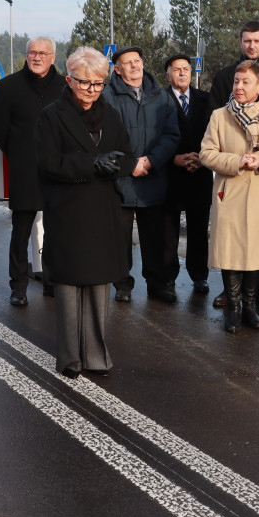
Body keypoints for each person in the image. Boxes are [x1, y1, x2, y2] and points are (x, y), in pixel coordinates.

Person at [34, 47, 136, 378]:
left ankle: (95, 356)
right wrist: (92, 163)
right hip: (68, 210)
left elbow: (128, 156)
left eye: (98, 83)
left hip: (103, 209)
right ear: (69, 80)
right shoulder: (51, 116)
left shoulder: (111, 114)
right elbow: (48, 163)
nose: (92, 90)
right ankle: (70, 359)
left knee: (98, 284)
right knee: (68, 286)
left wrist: (119, 164)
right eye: (85, 82)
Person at [200, 61, 259, 333]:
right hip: (229, 193)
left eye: (245, 82)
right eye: (236, 81)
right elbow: (206, 153)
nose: (239, 87)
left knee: (255, 252)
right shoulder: (220, 116)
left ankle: (250, 307)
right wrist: (236, 161)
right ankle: (234, 309)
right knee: (230, 251)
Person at [0, 37, 65, 305]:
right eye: (33, 52)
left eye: (43, 53)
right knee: (20, 232)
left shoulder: (65, 86)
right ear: (26, 55)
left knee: (57, 231)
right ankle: (18, 287)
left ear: (53, 57)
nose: (37, 57)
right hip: (24, 171)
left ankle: (52, 282)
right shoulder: (7, 86)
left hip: (59, 172)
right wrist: (19, 155)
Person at [103, 46, 181, 303]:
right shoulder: (107, 97)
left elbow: (172, 135)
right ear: (117, 69)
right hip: (120, 180)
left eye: (137, 60)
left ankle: (157, 284)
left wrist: (151, 161)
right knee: (119, 237)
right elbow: (104, 139)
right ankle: (122, 284)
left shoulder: (161, 97)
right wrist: (130, 164)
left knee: (155, 237)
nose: (135, 65)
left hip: (153, 177)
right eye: (128, 62)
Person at [161, 54, 212, 295]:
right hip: (170, 174)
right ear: (168, 75)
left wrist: (202, 158)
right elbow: (154, 136)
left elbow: (215, 133)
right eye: (177, 69)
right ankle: (168, 277)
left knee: (199, 230)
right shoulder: (160, 100)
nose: (182, 73)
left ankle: (199, 275)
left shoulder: (205, 99)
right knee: (168, 232)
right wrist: (174, 158)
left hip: (200, 173)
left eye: (186, 69)